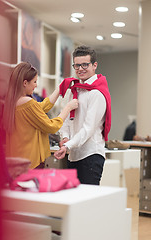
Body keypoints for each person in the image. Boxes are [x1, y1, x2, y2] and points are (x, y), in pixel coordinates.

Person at [2, 62, 78, 169]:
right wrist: (68, 108)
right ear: (25, 83)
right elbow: (51, 126)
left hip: (18, 160)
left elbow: (41, 107)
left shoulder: (13, 102)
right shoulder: (28, 103)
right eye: (34, 82)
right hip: (30, 162)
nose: (36, 85)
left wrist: (59, 89)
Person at [54, 45, 111, 185]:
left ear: (94, 65)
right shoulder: (76, 90)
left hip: (91, 155)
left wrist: (68, 145)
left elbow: (88, 128)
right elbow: (67, 120)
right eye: (77, 65)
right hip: (73, 155)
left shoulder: (97, 93)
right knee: (75, 201)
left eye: (85, 64)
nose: (80, 69)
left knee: (88, 203)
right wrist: (65, 137)